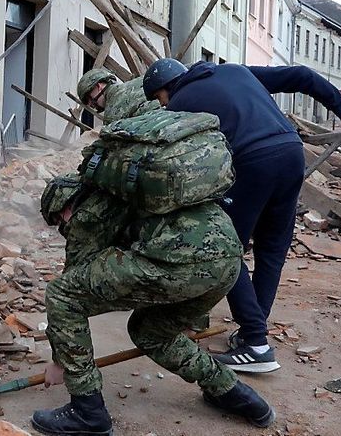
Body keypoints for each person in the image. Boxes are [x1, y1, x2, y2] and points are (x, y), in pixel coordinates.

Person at [141, 59, 341, 374]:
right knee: (271, 248)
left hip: (252, 161)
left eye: (158, 98)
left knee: (224, 249)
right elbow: (300, 75)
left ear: (164, 88)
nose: (162, 105)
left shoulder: (180, 104)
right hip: (291, 153)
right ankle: (250, 335)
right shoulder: (234, 71)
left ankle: (257, 345)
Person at [32, 174, 276, 435]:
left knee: (61, 295)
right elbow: (197, 239)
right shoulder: (137, 189)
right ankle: (235, 394)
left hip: (180, 265)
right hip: (228, 263)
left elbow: (74, 285)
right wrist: (193, 321)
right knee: (149, 331)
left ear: (65, 206)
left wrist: (61, 363)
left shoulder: (88, 212)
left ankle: (87, 411)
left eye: (59, 222)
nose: (63, 229)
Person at [76, 69, 160, 121]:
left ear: (99, 86)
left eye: (89, 97)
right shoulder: (140, 82)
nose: (90, 104)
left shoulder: (112, 111)